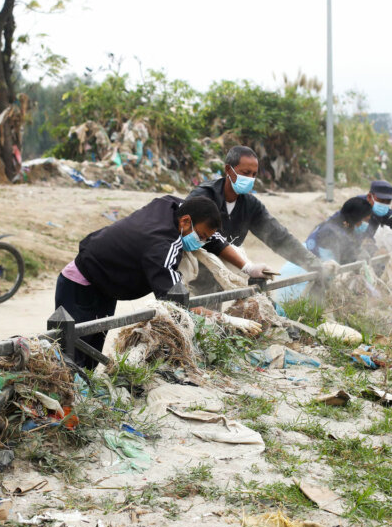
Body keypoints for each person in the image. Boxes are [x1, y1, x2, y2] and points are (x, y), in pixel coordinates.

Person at [54, 196, 222, 369]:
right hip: (80, 284)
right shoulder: (162, 244)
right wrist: (216, 317)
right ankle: (65, 392)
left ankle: (82, 389)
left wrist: (245, 266)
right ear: (185, 221)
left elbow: (212, 234)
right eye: (200, 236)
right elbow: (175, 301)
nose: (200, 243)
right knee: (71, 353)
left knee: (91, 351)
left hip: (106, 286)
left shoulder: (169, 206)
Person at [187, 146, 324, 295]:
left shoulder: (250, 206)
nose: (250, 179)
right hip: (192, 276)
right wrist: (247, 267)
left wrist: (314, 264)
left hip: (222, 277)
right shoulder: (204, 197)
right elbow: (208, 239)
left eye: (254, 175)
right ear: (228, 170)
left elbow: (278, 237)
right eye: (245, 173)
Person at [304, 197, 373, 263]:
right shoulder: (329, 232)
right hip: (309, 269)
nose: (366, 224)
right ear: (356, 218)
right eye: (366, 220)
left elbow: (354, 248)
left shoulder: (347, 225)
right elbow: (331, 265)